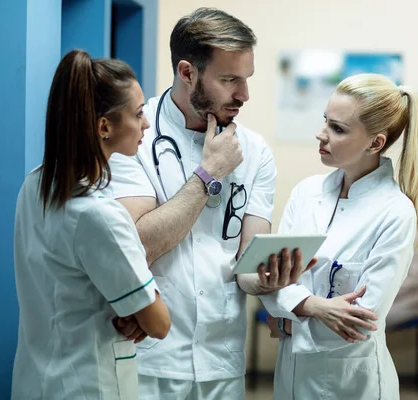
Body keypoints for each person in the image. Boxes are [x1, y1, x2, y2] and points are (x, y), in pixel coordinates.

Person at [105, 8, 312, 399]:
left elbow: (246, 265)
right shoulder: (134, 135)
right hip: (149, 358)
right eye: (229, 80)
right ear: (187, 73)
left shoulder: (254, 151)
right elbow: (134, 244)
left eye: (246, 79)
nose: (244, 95)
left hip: (221, 360)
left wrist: (270, 277)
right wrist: (209, 173)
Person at [12, 50, 171, 400]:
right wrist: (144, 307)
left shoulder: (33, 187)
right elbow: (159, 324)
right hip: (89, 386)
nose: (146, 124)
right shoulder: (99, 215)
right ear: (104, 127)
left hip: (35, 381)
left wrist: (134, 307)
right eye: (139, 113)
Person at [260, 73, 418, 400]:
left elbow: (360, 321)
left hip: (351, 385)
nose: (320, 134)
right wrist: (315, 306)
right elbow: (271, 280)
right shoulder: (305, 193)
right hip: (290, 380)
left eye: (337, 129)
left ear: (375, 143)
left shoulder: (395, 212)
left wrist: (286, 324)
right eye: (325, 121)